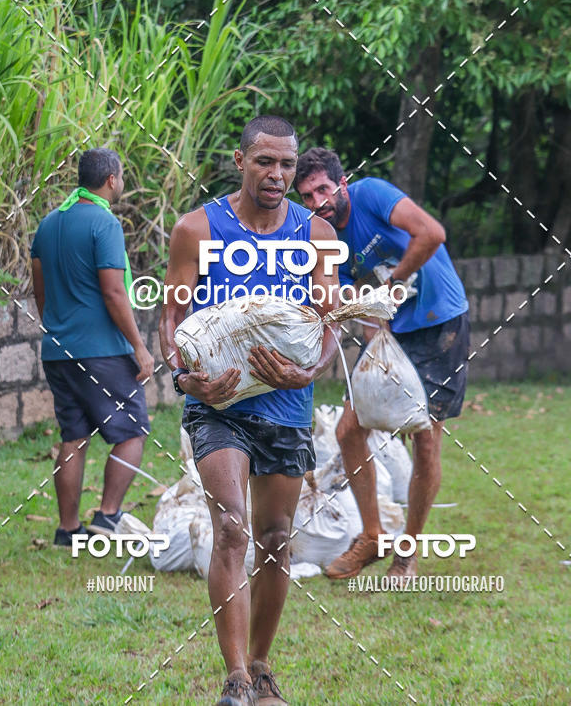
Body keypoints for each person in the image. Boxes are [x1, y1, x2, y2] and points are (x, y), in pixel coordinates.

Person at [159, 116, 340, 706]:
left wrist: (309, 369)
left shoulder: (314, 234)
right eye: (265, 162)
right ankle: (235, 679)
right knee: (232, 528)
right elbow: (172, 322)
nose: (278, 175)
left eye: (287, 164)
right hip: (219, 406)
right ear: (240, 161)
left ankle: (261, 667)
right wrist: (188, 378)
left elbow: (330, 321)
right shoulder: (196, 228)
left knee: (276, 537)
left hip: (287, 404)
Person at [294, 147, 470, 583]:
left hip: (438, 322)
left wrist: (391, 285)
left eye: (322, 190)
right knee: (349, 430)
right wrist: (355, 323)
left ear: (342, 184)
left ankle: (406, 554)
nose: (318, 202)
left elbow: (432, 233)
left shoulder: (373, 195)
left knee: (426, 440)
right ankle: (373, 536)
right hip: (393, 335)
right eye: (307, 197)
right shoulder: (324, 237)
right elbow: (349, 295)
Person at [31, 147, 154, 547]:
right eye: (121, 177)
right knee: (133, 429)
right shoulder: (105, 223)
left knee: (74, 436)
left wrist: (58, 327)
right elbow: (115, 293)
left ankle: (67, 530)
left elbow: (40, 288)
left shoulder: (49, 223)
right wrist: (140, 346)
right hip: (101, 350)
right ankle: (108, 515)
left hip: (58, 350)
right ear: (111, 179)